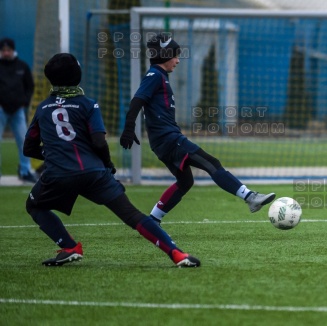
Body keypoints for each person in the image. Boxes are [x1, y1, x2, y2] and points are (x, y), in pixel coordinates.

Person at [23, 53, 200, 267]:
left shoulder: (42, 108)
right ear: (77, 76)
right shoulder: (88, 105)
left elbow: (29, 148)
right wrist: (106, 164)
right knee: (132, 215)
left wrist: (55, 155)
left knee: (34, 206)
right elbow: (98, 142)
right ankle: (177, 253)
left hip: (58, 174)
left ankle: (69, 246)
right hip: (95, 173)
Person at [120, 34, 275, 224]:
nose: (177, 60)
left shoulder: (159, 76)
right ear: (165, 55)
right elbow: (137, 100)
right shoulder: (155, 76)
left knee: (185, 182)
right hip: (169, 139)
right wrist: (129, 128)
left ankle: (153, 220)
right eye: (175, 56)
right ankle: (250, 197)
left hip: (162, 142)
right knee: (212, 164)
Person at [0, 37, 37, 182]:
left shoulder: (22, 66)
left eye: (8, 50)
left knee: (24, 140)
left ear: (13, 50)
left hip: (18, 110)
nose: (6, 53)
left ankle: (25, 170)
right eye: (3, 50)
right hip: (1, 109)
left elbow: (30, 86)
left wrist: (24, 102)